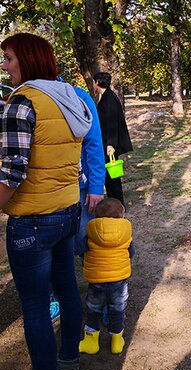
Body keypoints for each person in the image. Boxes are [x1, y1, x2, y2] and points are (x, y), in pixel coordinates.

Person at [1, 33, 92, 370]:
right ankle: (69, 364)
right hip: (69, 211)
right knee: (68, 290)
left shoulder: (22, 101)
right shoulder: (69, 98)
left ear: (27, 59)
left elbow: (12, 171)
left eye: (9, 57)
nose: (5, 65)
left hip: (32, 222)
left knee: (37, 307)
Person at [49, 78, 106, 323]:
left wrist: (95, 186)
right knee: (49, 250)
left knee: (89, 244)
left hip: (80, 189)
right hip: (45, 192)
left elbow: (94, 144)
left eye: (9, 59)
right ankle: (54, 298)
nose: (4, 66)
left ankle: (102, 297)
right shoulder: (26, 94)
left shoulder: (78, 96)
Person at [79, 198, 134, 355]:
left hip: (96, 283)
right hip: (119, 283)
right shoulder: (126, 234)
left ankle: (91, 342)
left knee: (93, 310)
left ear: (97, 217)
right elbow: (132, 253)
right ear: (122, 217)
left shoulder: (90, 234)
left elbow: (78, 250)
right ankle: (117, 341)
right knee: (117, 311)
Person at [92, 72, 133, 206]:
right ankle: (116, 204)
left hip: (109, 145)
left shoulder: (108, 99)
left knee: (112, 178)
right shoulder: (108, 96)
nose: (93, 84)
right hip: (108, 143)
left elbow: (112, 122)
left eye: (94, 82)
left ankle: (117, 206)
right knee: (111, 178)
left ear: (97, 82)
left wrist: (111, 144)